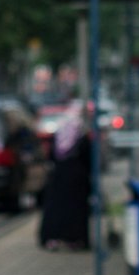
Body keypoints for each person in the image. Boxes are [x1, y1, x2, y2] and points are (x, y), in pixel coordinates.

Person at [38, 103, 92, 251]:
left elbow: (50, 158)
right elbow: (88, 160)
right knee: (75, 210)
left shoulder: (58, 137)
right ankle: (74, 239)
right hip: (77, 181)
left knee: (56, 209)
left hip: (58, 179)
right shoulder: (81, 138)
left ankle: (53, 238)